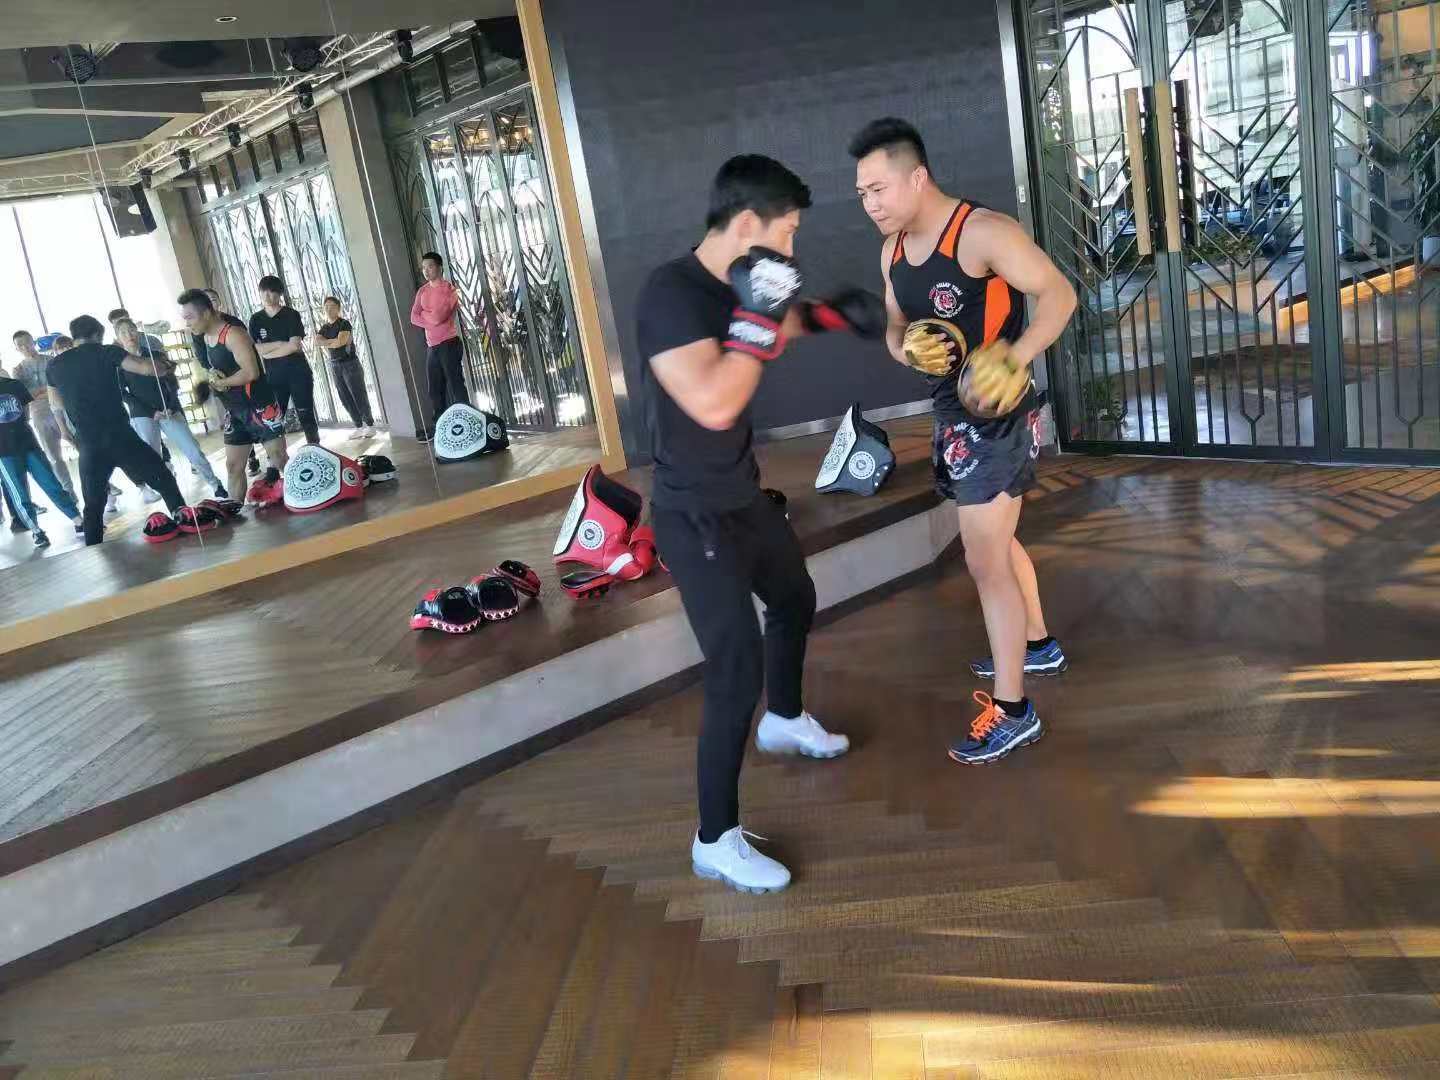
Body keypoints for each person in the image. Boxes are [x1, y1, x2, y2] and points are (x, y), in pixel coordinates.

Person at [638, 154, 891, 894]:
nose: (791, 245)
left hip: (742, 495)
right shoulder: (669, 295)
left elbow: (771, 328)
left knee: (793, 597)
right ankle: (714, 838)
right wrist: (759, 314)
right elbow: (715, 401)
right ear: (748, 222)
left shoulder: (740, 287)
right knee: (734, 668)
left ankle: (782, 718)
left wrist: (832, 315)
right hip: (693, 513)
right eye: (787, 231)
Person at [852, 117, 1077, 765]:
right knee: (996, 545)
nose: (870, 204)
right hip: (952, 415)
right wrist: (907, 350)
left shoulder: (982, 233)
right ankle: (1037, 645)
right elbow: (896, 327)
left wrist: (1017, 357)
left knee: (983, 562)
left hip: (999, 415)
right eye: (862, 194)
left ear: (917, 178)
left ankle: (1014, 712)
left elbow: (1059, 294)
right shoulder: (893, 252)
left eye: (878, 189)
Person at [45, 315, 188, 545]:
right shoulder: (107, 351)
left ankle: (93, 547)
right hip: (120, 437)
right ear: (97, 334)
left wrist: (68, 421)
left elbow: (56, 404)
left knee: (93, 505)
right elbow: (145, 367)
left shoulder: (54, 365)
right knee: (163, 479)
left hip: (89, 443)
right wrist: (165, 366)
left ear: (74, 336)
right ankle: (183, 518)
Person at [180, 288, 288, 501]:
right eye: (185, 318)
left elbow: (251, 372)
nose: (187, 323)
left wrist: (221, 383)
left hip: (260, 405)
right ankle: (234, 510)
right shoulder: (206, 337)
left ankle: (306, 495)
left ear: (206, 313)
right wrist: (212, 380)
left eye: (190, 317)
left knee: (279, 459)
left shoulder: (233, 334)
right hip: (235, 409)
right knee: (233, 466)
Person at [115, 317, 227, 500]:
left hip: (169, 410)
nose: (129, 335)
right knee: (153, 458)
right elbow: (122, 393)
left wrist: (170, 405)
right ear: (118, 338)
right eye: (123, 332)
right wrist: (151, 412)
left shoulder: (155, 355)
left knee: (193, 450)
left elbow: (172, 383)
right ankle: (170, 496)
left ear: (137, 331)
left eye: (131, 330)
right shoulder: (120, 363)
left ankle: (216, 484)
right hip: (143, 415)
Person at [0, 365, 83, 547]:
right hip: (4, 453)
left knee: (51, 483)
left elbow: (25, 413)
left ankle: (78, 520)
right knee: (20, 495)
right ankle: (37, 531)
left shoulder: (14, 385)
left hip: (28, 445)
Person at [193, 288, 260, 477]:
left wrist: (226, 379)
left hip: (254, 395)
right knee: (233, 464)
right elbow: (203, 358)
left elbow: (250, 367)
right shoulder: (199, 333)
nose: (211, 304)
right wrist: (215, 375)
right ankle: (251, 458)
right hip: (230, 398)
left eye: (213, 300)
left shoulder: (234, 327)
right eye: (207, 300)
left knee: (277, 454)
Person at [249, 275, 319, 445]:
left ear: (280, 294)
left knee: (306, 415)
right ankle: (278, 456)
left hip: (298, 373)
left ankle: (315, 448)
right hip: (273, 377)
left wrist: (268, 352)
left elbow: (294, 346)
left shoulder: (291, 315)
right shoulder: (256, 319)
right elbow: (256, 349)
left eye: (272, 292)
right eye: (264, 292)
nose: (268, 296)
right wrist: (281, 344)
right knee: (274, 419)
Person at [12, 331, 76, 497]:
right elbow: (25, 395)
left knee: (82, 446)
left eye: (27, 342)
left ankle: (105, 486)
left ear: (33, 341)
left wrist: (39, 392)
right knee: (54, 456)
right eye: (20, 345)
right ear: (16, 348)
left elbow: (61, 384)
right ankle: (69, 492)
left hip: (62, 408)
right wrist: (48, 389)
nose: (25, 347)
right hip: (39, 414)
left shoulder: (51, 360)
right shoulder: (18, 370)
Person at [409, 251, 465, 439]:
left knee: (456, 386)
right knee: (435, 390)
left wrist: (426, 315)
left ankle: (466, 423)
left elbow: (438, 317)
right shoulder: (422, 291)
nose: (426, 271)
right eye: (423, 268)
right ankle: (439, 429)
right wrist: (429, 317)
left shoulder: (450, 290)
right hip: (432, 346)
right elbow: (413, 317)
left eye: (430, 266)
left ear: (439, 267)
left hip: (449, 343)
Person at [314, 297, 375, 438]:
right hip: (335, 365)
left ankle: (370, 425)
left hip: (350, 364)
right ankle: (358, 426)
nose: (329, 309)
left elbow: (340, 342)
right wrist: (333, 341)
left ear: (338, 308)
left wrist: (328, 342)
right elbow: (317, 341)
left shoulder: (344, 323)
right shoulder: (325, 327)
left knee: (358, 394)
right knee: (344, 397)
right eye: (326, 306)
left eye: (332, 306)